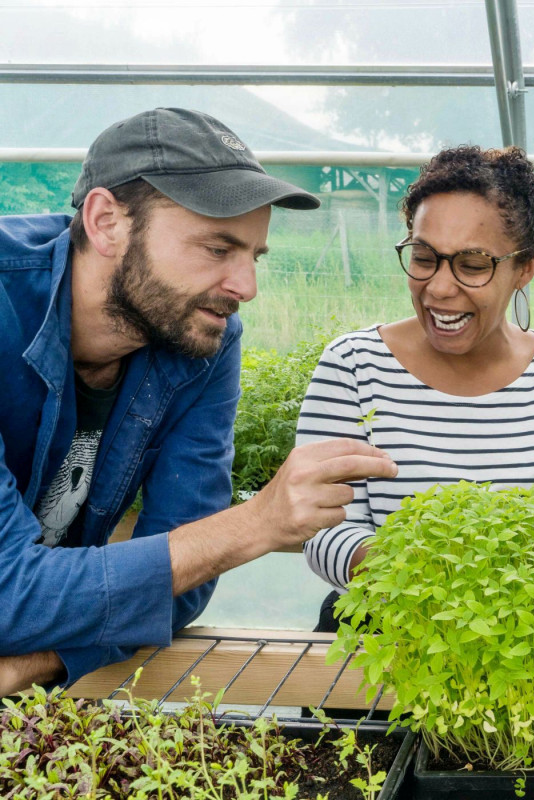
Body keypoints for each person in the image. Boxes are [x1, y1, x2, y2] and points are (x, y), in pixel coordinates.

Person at [0, 108, 398, 695]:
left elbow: (186, 580)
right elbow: (10, 595)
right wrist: (254, 524)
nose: (246, 287)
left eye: (254, 256)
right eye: (217, 248)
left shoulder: (204, 339)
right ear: (106, 222)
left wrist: (39, 662)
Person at [299, 145, 534, 627]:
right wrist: (431, 582)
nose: (440, 288)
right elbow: (322, 528)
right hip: (377, 630)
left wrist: (494, 596)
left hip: (525, 634)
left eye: (472, 265)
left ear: (524, 268)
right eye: (424, 257)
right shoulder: (354, 365)